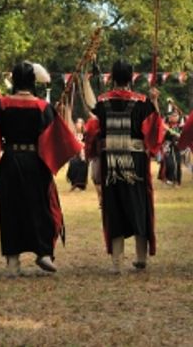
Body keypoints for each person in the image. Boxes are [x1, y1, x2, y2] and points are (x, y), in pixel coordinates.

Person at [0, 62, 81, 277]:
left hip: (10, 161)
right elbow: (59, 136)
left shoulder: (1, 105)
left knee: (11, 209)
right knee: (41, 207)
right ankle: (44, 253)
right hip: (37, 162)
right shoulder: (42, 107)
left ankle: (12, 261)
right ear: (31, 81)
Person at [84, 60, 164, 273]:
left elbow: (90, 111)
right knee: (139, 204)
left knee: (114, 205)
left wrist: (85, 81)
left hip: (111, 162)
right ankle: (141, 258)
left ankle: (116, 263)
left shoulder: (103, 102)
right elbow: (156, 128)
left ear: (113, 77)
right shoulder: (143, 102)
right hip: (135, 161)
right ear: (131, 77)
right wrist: (155, 101)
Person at [159, 112, 182, 186]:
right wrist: (168, 130)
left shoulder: (180, 126)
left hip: (177, 147)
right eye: (174, 116)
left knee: (178, 164)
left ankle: (177, 181)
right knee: (168, 163)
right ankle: (167, 179)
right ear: (170, 117)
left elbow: (181, 135)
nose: (175, 117)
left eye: (176, 116)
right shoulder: (166, 125)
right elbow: (162, 136)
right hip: (167, 147)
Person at [66, 118, 89, 191]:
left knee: (83, 163)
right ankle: (74, 183)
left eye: (80, 123)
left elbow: (88, 144)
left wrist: (82, 144)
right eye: (78, 123)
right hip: (75, 154)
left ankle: (80, 185)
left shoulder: (85, 135)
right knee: (73, 162)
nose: (79, 124)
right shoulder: (74, 134)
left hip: (83, 154)